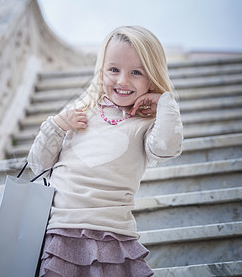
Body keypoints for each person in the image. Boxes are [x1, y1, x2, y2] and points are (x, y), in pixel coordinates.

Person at [27, 25, 183, 277]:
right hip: (60, 232)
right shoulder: (81, 110)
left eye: (136, 72)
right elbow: (38, 164)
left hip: (113, 235)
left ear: (152, 77)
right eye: (114, 70)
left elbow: (167, 148)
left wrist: (165, 102)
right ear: (101, 70)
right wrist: (56, 126)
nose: (122, 80)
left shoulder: (145, 124)